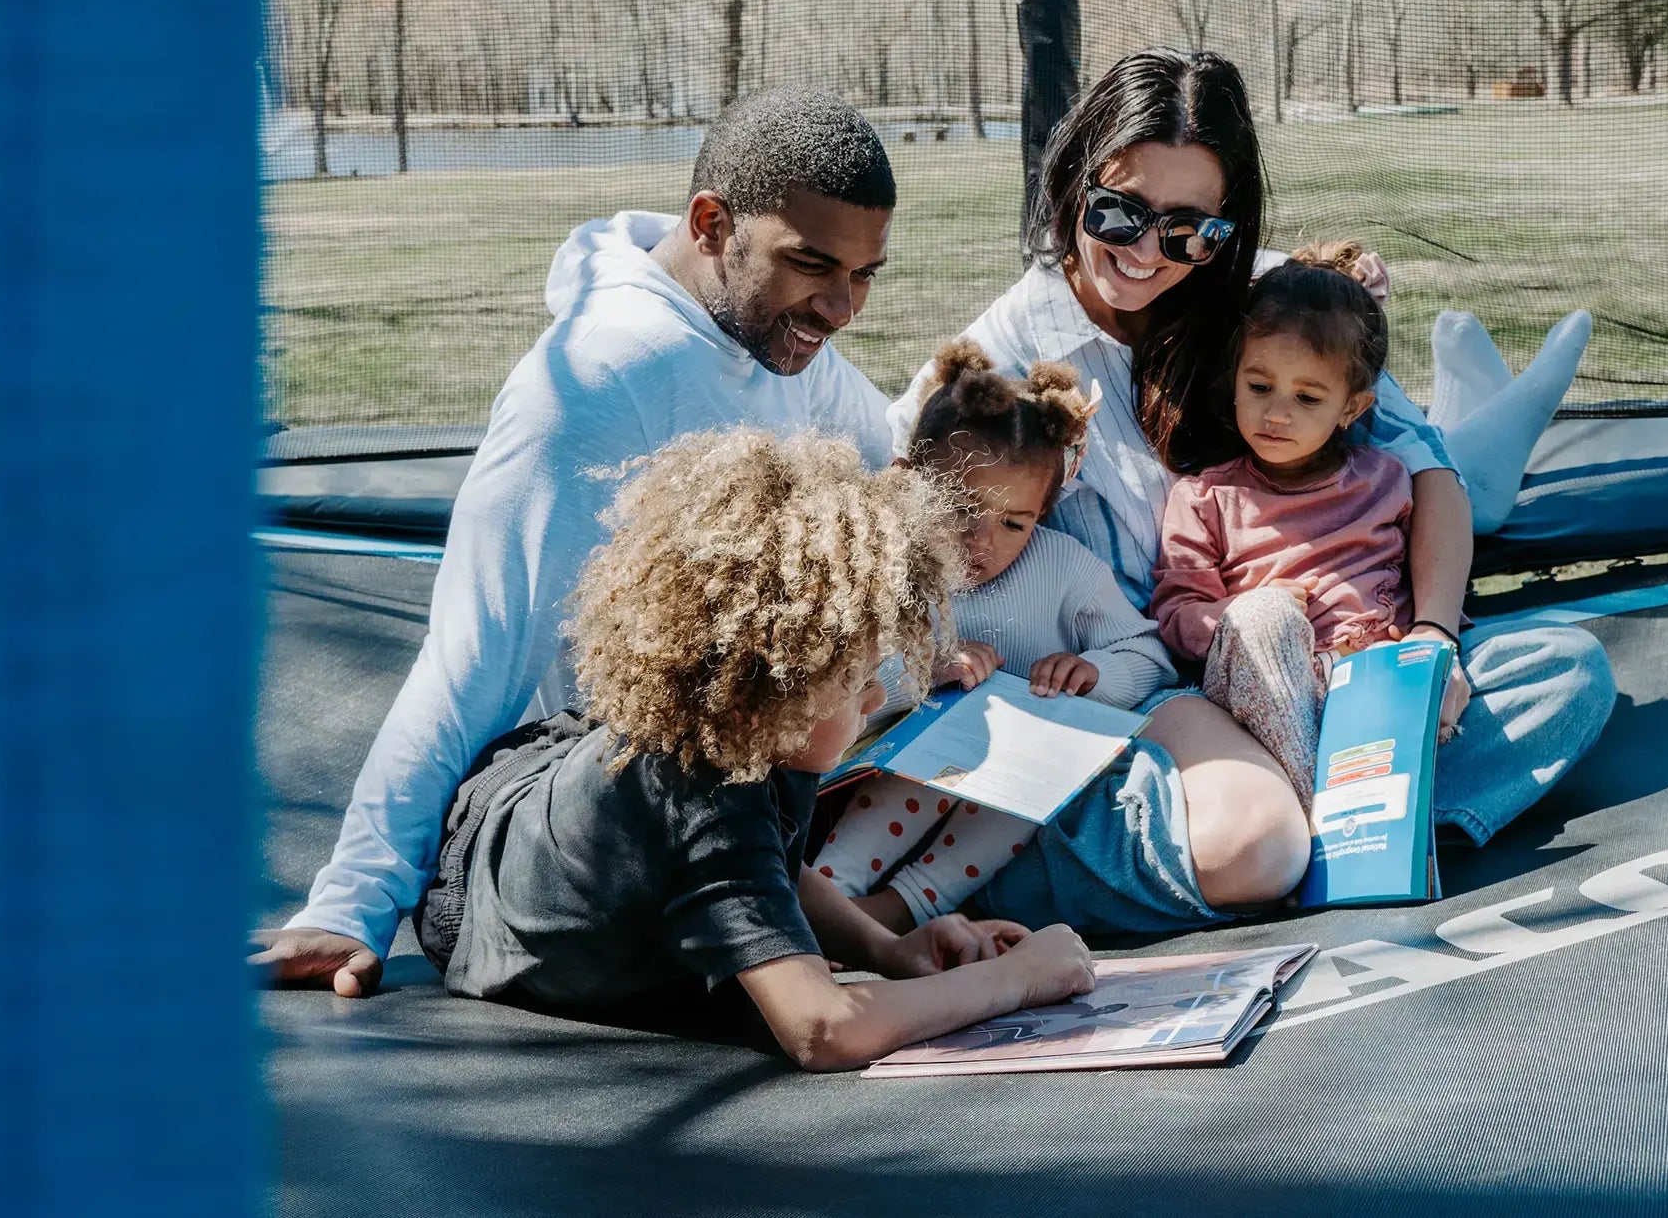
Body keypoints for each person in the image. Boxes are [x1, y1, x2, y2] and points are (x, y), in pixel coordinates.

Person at [888, 49, 1616, 931]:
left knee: (1566, 671)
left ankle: (1340, 828)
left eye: (1188, 228)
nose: (1148, 251)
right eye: (1118, 211)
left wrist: (1429, 638)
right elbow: (892, 528)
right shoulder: (993, 372)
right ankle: (1289, 831)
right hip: (1141, 699)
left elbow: (1429, 475)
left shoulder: (1278, 303)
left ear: (1225, 226)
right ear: (1072, 181)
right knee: (1248, 841)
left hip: (1340, 669)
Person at [252, 87, 907, 996]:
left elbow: (894, 459)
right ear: (711, 224)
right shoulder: (595, 385)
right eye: (813, 265)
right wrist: (352, 900)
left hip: (747, 786)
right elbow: (473, 655)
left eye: (866, 273)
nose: (842, 307)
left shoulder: (776, 338)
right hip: (595, 834)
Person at [414, 428, 1095, 1071]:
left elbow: (760, 858)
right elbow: (824, 1027)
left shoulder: (756, 731)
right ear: (760, 692)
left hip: (562, 789)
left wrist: (888, 949)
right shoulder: (699, 793)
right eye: (855, 681)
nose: (870, 700)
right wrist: (1017, 980)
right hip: (479, 890)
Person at [813, 340, 1176, 926]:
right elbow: (831, 681)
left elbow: (1150, 656)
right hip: (874, 774)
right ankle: (826, 897)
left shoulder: (1064, 567)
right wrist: (922, 674)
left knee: (1034, 773)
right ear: (909, 481)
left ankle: (902, 908)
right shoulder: (881, 560)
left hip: (1011, 778)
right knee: (933, 769)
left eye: (1013, 522)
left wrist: (1092, 673)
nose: (981, 541)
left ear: (1044, 511)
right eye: (960, 508)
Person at [1149, 244, 1428, 813]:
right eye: (1259, 388)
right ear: (1235, 381)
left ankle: (1411, 805)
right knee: (1265, 615)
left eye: (1307, 397)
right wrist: (1252, 613)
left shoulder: (1388, 481)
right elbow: (1178, 619)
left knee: (1567, 667)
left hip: (1370, 698)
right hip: (1264, 703)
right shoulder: (1205, 497)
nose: (1277, 413)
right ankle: (1314, 810)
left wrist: (1402, 646)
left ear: (1352, 407)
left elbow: (1414, 591)